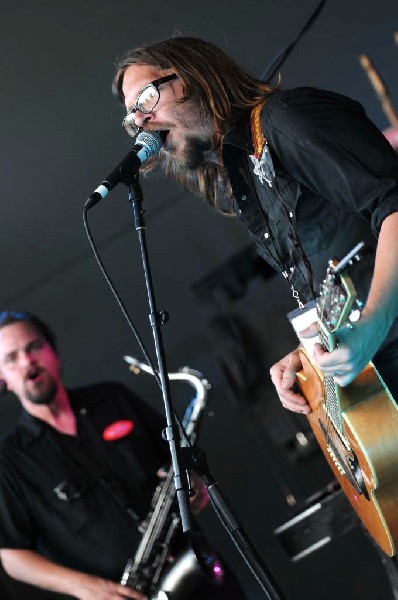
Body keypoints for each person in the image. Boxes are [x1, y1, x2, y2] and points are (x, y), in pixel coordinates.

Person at [111, 36, 398, 410]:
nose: (142, 122)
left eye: (146, 99)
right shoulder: (244, 172)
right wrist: (308, 357)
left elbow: (392, 202)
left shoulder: (286, 119)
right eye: (133, 115)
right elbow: (342, 271)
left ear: (194, 74)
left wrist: (373, 324)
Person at [0, 310, 246, 600]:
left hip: (195, 569)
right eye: (11, 358)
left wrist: (192, 482)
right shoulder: (9, 461)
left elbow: (181, 461)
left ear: (54, 352)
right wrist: (85, 587)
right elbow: (11, 555)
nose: (28, 361)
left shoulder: (113, 398)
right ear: (2, 378)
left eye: (34, 347)